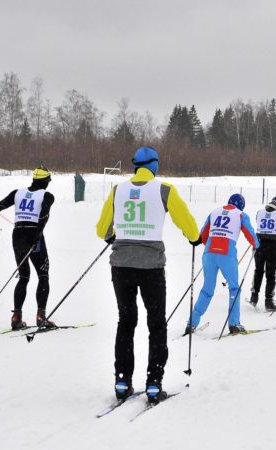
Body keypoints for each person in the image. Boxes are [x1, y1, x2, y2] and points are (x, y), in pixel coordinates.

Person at [96, 146, 200, 404]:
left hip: (121, 267)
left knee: (126, 321)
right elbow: (187, 223)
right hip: (151, 268)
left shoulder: (118, 190)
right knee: (156, 324)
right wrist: (194, 238)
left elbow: (101, 230)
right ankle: (154, 383)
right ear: (154, 165)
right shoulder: (164, 189)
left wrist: (114, 237)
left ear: (135, 166)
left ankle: (122, 380)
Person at [0, 166, 55, 330]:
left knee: (24, 277)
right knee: (43, 275)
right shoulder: (47, 195)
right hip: (34, 235)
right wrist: (37, 234)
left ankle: (16, 317)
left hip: (17, 236)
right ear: (45, 181)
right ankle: (41, 316)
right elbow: (44, 215)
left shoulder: (17, 192)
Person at [188, 193, 259, 334]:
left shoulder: (214, 211)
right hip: (226, 254)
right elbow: (250, 235)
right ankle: (234, 324)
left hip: (209, 254)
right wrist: (256, 244)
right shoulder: (241, 215)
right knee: (234, 289)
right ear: (242, 206)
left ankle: (192, 323)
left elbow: (202, 236)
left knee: (207, 290)